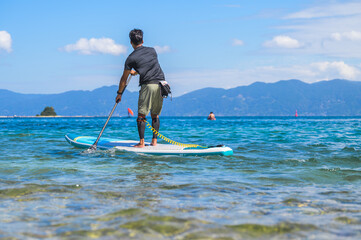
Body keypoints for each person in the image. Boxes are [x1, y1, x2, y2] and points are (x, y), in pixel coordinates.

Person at [116, 29, 165, 148]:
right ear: (142, 40)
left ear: (131, 42)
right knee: (155, 115)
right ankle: (154, 142)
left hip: (148, 85)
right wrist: (137, 72)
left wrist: (119, 93)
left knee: (141, 116)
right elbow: (148, 65)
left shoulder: (130, 58)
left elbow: (123, 79)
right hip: (161, 84)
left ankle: (141, 143)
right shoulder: (152, 51)